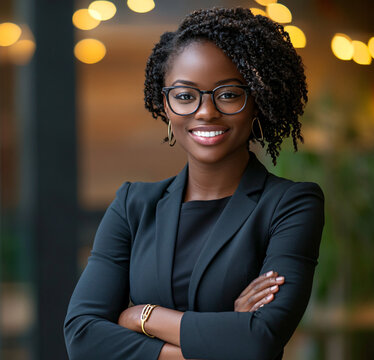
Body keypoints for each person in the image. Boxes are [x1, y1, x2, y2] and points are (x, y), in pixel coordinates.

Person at [64, 7, 324, 360]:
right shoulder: (133, 206)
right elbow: (82, 336)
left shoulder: (289, 205)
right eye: (185, 96)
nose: (205, 112)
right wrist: (222, 334)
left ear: (257, 102)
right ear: (166, 106)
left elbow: (259, 340)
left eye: (228, 94)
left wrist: (141, 316)